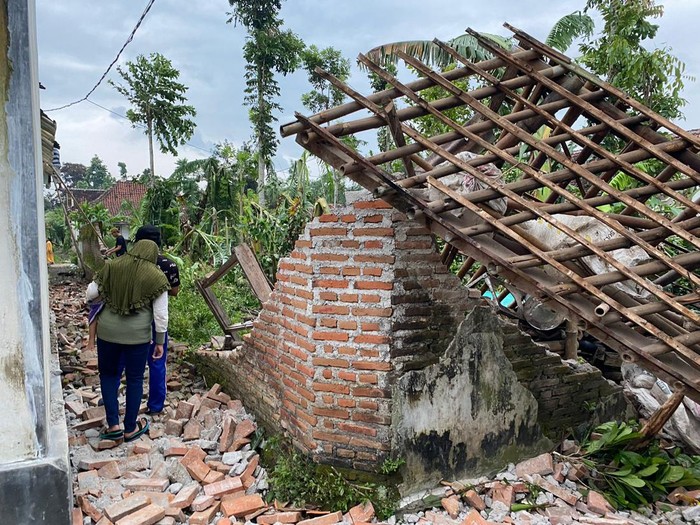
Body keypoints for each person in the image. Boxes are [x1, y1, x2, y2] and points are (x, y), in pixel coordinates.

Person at [87, 239, 170, 442]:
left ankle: (113, 425)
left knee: (108, 375)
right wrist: (159, 341)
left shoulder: (111, 266)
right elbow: (161, 314)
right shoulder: (156, 276)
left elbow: (91, 293)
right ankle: (130, 428)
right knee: (134, 379)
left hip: (107, 334)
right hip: (138, 337)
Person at [132, 224, 180, 415]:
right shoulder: (168, 265)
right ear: (159, 243)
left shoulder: (129, 264)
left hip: (131, 318)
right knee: (157, 361)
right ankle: (155, 405)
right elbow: (174, 292)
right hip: (157, 320)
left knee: (127, 360)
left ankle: (120, 400)